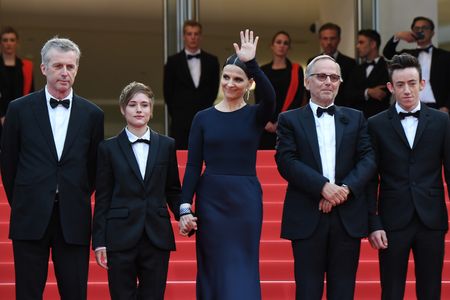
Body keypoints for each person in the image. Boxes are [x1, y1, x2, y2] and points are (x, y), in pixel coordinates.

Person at [0, 37, 104, 300]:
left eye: (71, 66)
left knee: (74, 292)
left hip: (73, 218)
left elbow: (94, 168)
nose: (65, 72)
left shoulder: (93, 115)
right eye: (58, 65)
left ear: (77, 69)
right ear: (44, 69)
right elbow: (9, 163)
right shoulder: (18, 109)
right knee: (27, 292)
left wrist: (73, 193)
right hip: (30, 216)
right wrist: (26, 200)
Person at [178, 29, 275, 299]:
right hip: (211, 199)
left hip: (245, 199)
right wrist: (185, 205)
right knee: (213, 267)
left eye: (238, 79)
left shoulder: (256, 115)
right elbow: (194, 165)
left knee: (243, 265)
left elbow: (271, 99)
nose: (230, 83)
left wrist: (253, 63)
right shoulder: (203, 118)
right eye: (226, 77)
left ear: (248, 84)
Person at [275, 55, 376, 300]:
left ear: (340, 83)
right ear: (307, 82)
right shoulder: (289, 119)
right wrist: (323, 188)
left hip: (347, 216)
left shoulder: (356, 117)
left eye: (334, 77)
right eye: (321, 76)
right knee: (307, 291)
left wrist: (343, 190)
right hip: (307, 215)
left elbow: (368, 159)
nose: (328, 82)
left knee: (343, 291)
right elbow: (286, 162)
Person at [367, 53, 450, 300]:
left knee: (431, 290)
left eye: (412, 83)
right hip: (392, 220)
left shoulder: (442, 121)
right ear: (391, 87)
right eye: (400, 85)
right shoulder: (375, 124)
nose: (407, 90)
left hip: (431, 219)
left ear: (422, 84)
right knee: (391, 291)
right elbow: (371, 178)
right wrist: (374, 222)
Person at [92, 82, 181, 300]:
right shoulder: (107, 148)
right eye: (132, 105)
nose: (139, 109)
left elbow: (172, 189)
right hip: (119, 236)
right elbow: (103, 197)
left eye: (144, 105)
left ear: (151, 110)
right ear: (123, 109)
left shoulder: (167, 145)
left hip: (156, 235)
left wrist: (184, 212)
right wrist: (100, 241)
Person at [163, 20, 220, 149]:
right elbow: (168, 92)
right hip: (180, 121)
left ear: (201, 36)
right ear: (184, 36)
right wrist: (178, 114)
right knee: (180, 158)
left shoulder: (212, 61)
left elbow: (214, 90)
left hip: (205, 119)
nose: (193, 37)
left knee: (206, 154)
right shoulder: (173, 62)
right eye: (189, 34)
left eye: (196, 34)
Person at [383, 16, 450, 112]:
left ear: (432, 33)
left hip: (437, 107)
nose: (420, 31)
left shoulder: (445, 56)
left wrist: (447, 107)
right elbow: (388, 54)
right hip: (409, 107)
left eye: (425, 28)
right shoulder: (406, 54)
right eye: (417, 28)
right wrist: (398, 36)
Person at [255, 30, 305, 149]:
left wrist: (281, 122)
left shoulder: (296, 70)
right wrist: (265, 120)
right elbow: (258, 97)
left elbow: (297, 98)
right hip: (265, 125)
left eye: (285, 43)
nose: (282, 45)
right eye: (278, 42)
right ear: (272, 46)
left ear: (289, 48)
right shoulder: (263, 70)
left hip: (287, 124)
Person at [345, 29, 390, 118]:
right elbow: (348, 93)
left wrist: (359, 92)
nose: (357, 46)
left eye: (361, 42)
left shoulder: (387, 67)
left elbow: (383, 94)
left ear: (373, 44)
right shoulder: (356, 68)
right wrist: (368, 92)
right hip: (358, 119)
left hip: (380, 119)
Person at [308, 23, 356, 107]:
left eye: (332, 38)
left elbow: (350, 92)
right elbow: (309, 89)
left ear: (339, 39)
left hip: (343, 110)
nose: (329, 42)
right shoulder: (312, 62)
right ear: (320, 40)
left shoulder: (350, 63)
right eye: (325, 38)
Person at [0, 26, 34, 137]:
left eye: (12, 40)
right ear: (1, 43)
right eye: (5, 40)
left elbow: (30, 94)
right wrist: (2, 115)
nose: (8, 43)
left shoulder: (27, 66)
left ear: (17, 43)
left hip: (20, 117)